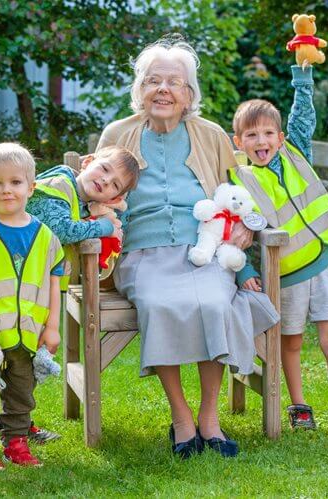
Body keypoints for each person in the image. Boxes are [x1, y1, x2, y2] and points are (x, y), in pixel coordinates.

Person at [97, 35, 279, 458]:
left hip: (204, 250)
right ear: (139, 90)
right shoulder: (117, 133)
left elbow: (241, 195)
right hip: (141, 252)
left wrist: (247, 233)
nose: (163, 89)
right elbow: (96, 192)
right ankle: (181, 418)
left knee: (215, 302)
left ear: (189, 94)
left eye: (174, 82)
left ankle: (209, 418)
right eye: (153, 80)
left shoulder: (210, 134)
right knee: (159, 305)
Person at [228, 63, 328, 437]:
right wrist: (244, 272)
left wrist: (302, 77)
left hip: (323, 262)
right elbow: (230, 229)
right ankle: (299, 406)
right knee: (289, 341)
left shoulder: (296, 152)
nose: (261, 141)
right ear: (238, 140)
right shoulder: (239, 178)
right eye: (251, 135)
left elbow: (303, 115)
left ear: (280, 135)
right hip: (286, 272)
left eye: (268, 133)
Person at [0, 143, 64, 469]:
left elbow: (54, 283)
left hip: (28, 335)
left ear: (31, 187)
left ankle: (16, 442)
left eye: (16, 182)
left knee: (22, 391)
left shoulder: (46, 237)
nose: (7, 190)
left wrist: (52, 328)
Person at [28, 145, 141, 290]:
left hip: (39, 284)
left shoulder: (83, 206)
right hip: (18, 276)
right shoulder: (58, 186)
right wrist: (105, 226)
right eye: (105, 169)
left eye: (115, 185)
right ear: (87, 162)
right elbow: (61, 231)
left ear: (113, 198)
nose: (106, 180)